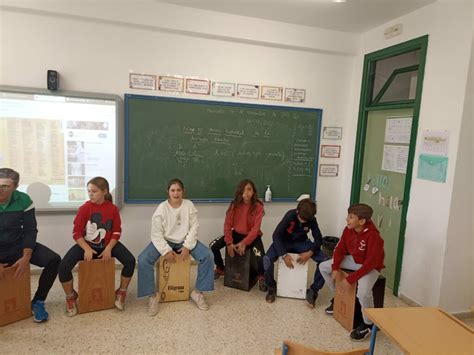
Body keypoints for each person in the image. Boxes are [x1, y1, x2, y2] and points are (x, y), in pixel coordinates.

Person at [58, 177, 135, 317]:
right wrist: (86, 248)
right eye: (89, 191)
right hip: (86, 245)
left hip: (107, 245)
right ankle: (71, 296)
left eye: (94, 191)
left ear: (104, 191)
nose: (90, 194)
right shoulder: (85, 208)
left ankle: (121, 292)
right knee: (63, 267)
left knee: (130, 261)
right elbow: (76, 233)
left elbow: (117, 232)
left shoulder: (112, 209)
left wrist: (109, 248)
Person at [137, 178, 214, 316]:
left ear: (183, 191)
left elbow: (194, 227)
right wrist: (166, 251)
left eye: (178, 190)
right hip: (165, 240)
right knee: (143, 259)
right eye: (173, 190)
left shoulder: (189, 205)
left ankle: (197, 293)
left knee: (207, 255)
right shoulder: (162, 208)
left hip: (185, 240)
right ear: (168, 192)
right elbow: (156, 234)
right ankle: (153, 296)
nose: (176, 193)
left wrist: (187, 246)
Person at [0, 168, 61, 323]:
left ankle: (38, 301)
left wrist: (26, 257)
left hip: (18, 246)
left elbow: (30, 230)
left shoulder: (24, 200)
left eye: (5, 186)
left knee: (53, 260)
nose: (0, 189)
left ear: (15, 187)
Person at [319, 203, 385, 341]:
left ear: (361, 221)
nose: (347, 220)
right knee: (324, 267)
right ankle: (338, 297)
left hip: (371, 267)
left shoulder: (373, 236)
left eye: (351, 217)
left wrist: (350, 279)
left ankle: (368, 324)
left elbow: (371, 262)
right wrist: (335, 268)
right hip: (355, 260)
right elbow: (339, 249)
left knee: (363, 293)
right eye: (348, 216)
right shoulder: (348, 230)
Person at [263, 198, 327, 307]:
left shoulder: (311, 219)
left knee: (325, 261)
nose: (303, 221)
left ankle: (313, 290)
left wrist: (310, 252)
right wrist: (283, 254)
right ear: (297, 211)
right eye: (301, 218)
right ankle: (271, 287)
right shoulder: (290, 215)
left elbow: (318, 239)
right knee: (267, 259)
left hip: (301, 243)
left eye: (306, 220)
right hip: (284, 242)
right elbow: (276, 235)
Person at [209, 179, 267, 291]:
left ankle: (261, 276)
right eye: (243, 190)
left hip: (252, 237)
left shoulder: (258, 206)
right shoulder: (234, 205)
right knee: (213, 246)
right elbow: (227, 225)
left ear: (253, 191)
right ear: (239, 192)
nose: (246, 193)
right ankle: (221, 268)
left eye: (249, 189)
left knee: (261, 256)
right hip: (236, 234)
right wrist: (229, 242)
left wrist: (244, 243)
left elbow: (255, 230)